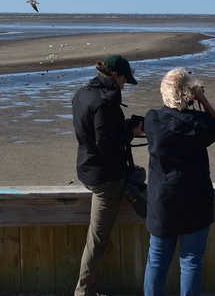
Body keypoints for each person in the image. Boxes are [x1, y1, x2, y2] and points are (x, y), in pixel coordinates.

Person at [143, 68, 215, 296]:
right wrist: (202, 99)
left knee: (157, 261)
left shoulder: (153, 120)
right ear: (188, 93)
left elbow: (145, 129)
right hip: (195, 199)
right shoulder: (198, 123)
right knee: (190, 262)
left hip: (163, 201)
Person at [72, 55, 143, 296]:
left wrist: (123, 128)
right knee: (97, 239)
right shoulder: (107, 99)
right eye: (125, 80)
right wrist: (130, 132)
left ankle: (129, 190)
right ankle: (83, 292)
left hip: (85, 167)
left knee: (137, 177)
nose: (125, 85)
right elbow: (107, 144)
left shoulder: (82, 93)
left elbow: (93, 132)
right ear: (116, 75)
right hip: (104, 177)